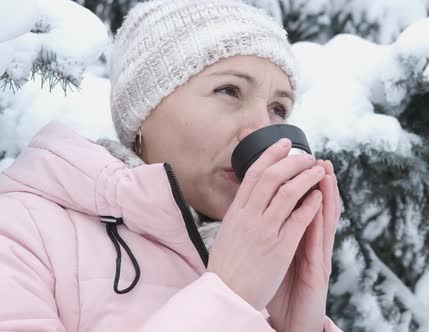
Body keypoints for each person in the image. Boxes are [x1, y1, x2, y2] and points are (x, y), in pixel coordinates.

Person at [0, 0, 343, 331]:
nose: (260, 127)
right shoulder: (20, 232)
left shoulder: (264, 276)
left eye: (278, 108)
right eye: (229, 90)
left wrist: (299, 326)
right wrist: (227, 297)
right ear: (144, 112)